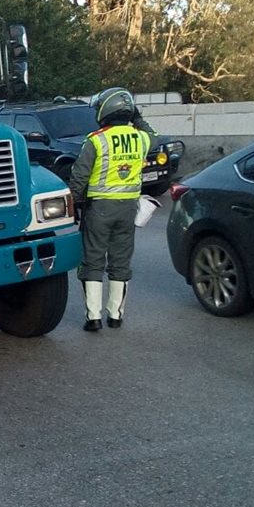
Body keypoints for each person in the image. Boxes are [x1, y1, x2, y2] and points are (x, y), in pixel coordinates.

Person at [67, 87, 152, 332]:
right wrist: (137, 117)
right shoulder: (142, 138)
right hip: (128, 209)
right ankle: (116, 315)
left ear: (106, 110)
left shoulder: (96, 139)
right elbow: (152, 133)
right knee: (120, 262)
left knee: (92, 261)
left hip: (99, 209)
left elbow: (79, 176)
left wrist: (74, 204)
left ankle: (93, 318)